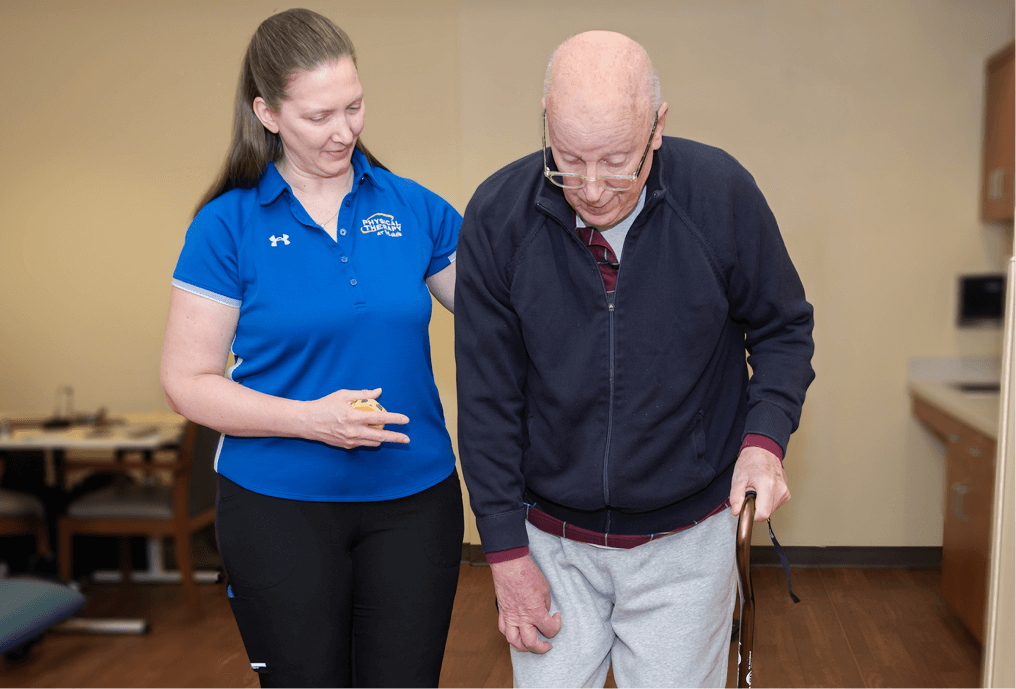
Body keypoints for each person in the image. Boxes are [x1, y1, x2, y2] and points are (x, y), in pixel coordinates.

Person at [454, 30, 815, 689]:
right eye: (568, 160)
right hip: (549, 540)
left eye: (618, 161)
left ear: (658, 127)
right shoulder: (496, 217)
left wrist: (764, 442)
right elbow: (486, 401)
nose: (592, 188)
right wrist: (505, 552)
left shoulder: (721, 195)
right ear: (545, 119)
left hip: (687, 538)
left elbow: (785, 329)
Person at [160, 9, 463, 688]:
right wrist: (310, 419)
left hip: (415, 504)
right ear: (267, 113)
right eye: (319, 115)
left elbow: (504, 311)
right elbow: (186, 379)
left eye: (354, 106)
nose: (344, 130)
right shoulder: (226, 225)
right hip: (277, 508)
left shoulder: (413, 208)